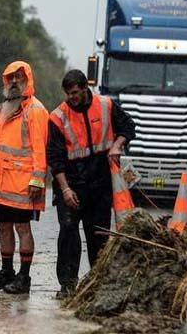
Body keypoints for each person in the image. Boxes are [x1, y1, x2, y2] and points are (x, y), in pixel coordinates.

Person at [47, 69, 135, 299]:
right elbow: (55, 159)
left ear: (86, 88)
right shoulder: (57, 117)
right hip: (72, 184)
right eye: (67, 93)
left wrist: (117, 145)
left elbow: (128, 126)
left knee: (98, 235)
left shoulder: (105, 106)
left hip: (99, 185)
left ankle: (98, 282)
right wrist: (65, 189)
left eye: (75, 92)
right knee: (68, 232)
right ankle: (67, 284)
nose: (71, 97)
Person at [0, 61, 49, 294]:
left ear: (28, 80)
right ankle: (6, 272)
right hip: (1, 183)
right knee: (3, 227)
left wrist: (37, 180)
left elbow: (40, 149)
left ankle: (24, 277)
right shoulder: (3, 109)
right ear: (5, 82)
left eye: (19, 77)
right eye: (11, 78)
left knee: (22, 228)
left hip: (23, 184)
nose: (15, 82)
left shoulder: (36, 110)